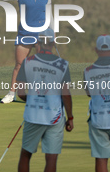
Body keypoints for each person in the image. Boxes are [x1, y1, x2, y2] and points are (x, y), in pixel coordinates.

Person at [17, 28, 73, 172]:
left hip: (33, 115)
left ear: (38, 43)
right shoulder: (63, 64)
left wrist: (33, 100)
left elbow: (21, 93)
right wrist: (70, 117)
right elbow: (66, 95)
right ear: (53, 43)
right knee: (51, 158)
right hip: (54, 117)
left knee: (26, 154)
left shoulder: (27, 62)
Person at [0, 0, 53, 103]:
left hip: (41, 34)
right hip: (25, 34)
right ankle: (12, 93)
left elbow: (49, 14)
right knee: (19, 65)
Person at [83, 34, 110, 172]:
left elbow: (89, 93)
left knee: (101, 158)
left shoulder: (88, 71)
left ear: (96, 49)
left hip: (98, 118)